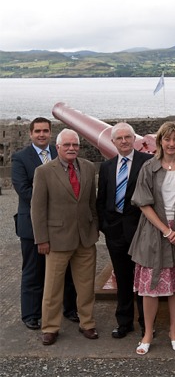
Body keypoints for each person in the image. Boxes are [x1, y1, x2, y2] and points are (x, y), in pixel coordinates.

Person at [128, 121, 175, 355]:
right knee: (150, 287)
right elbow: (143, 203)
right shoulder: (148, 167)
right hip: (153, 233)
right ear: (160, 141)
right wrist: (166, 231)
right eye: (167, 139)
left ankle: (173, 331)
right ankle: (148, 332)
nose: (171, 143)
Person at [31, 128, 99, 346]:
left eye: (75, 145)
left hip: (85, 238)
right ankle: (50, 327)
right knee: (52, 287)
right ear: (57, 147)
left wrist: (94, 228)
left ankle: (87, 323)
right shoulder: (44, 171)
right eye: (67, 145)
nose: (72, 148)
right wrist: (42, 239)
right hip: (57, 238)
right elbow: (38, 209)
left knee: (86, 285)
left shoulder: (88, 168)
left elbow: (91, 203)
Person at [11, 117, 78, 331]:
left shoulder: (61, 152)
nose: (42, 134)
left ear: (51, 133)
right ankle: (31, 314)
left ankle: (70, 309)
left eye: (45, 131)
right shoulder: (21, 158)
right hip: (32, 223)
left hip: (62, 225)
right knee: (34, 271)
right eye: (37, 131)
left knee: (66, 269)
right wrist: (57, 204)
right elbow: (24, 190)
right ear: (30, 134)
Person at [96, 122, 153, 339]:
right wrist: (105, 226)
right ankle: (124, 322)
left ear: (134, 139)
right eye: (119, 138)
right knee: (123, 278)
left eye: (127, 137)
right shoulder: (107, 167)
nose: (124, 141)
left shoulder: (147, 162)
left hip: (141, 230)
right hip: (115, 232)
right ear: (113, 142)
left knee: (143, 280)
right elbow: (101, 199)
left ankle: (146, 323)